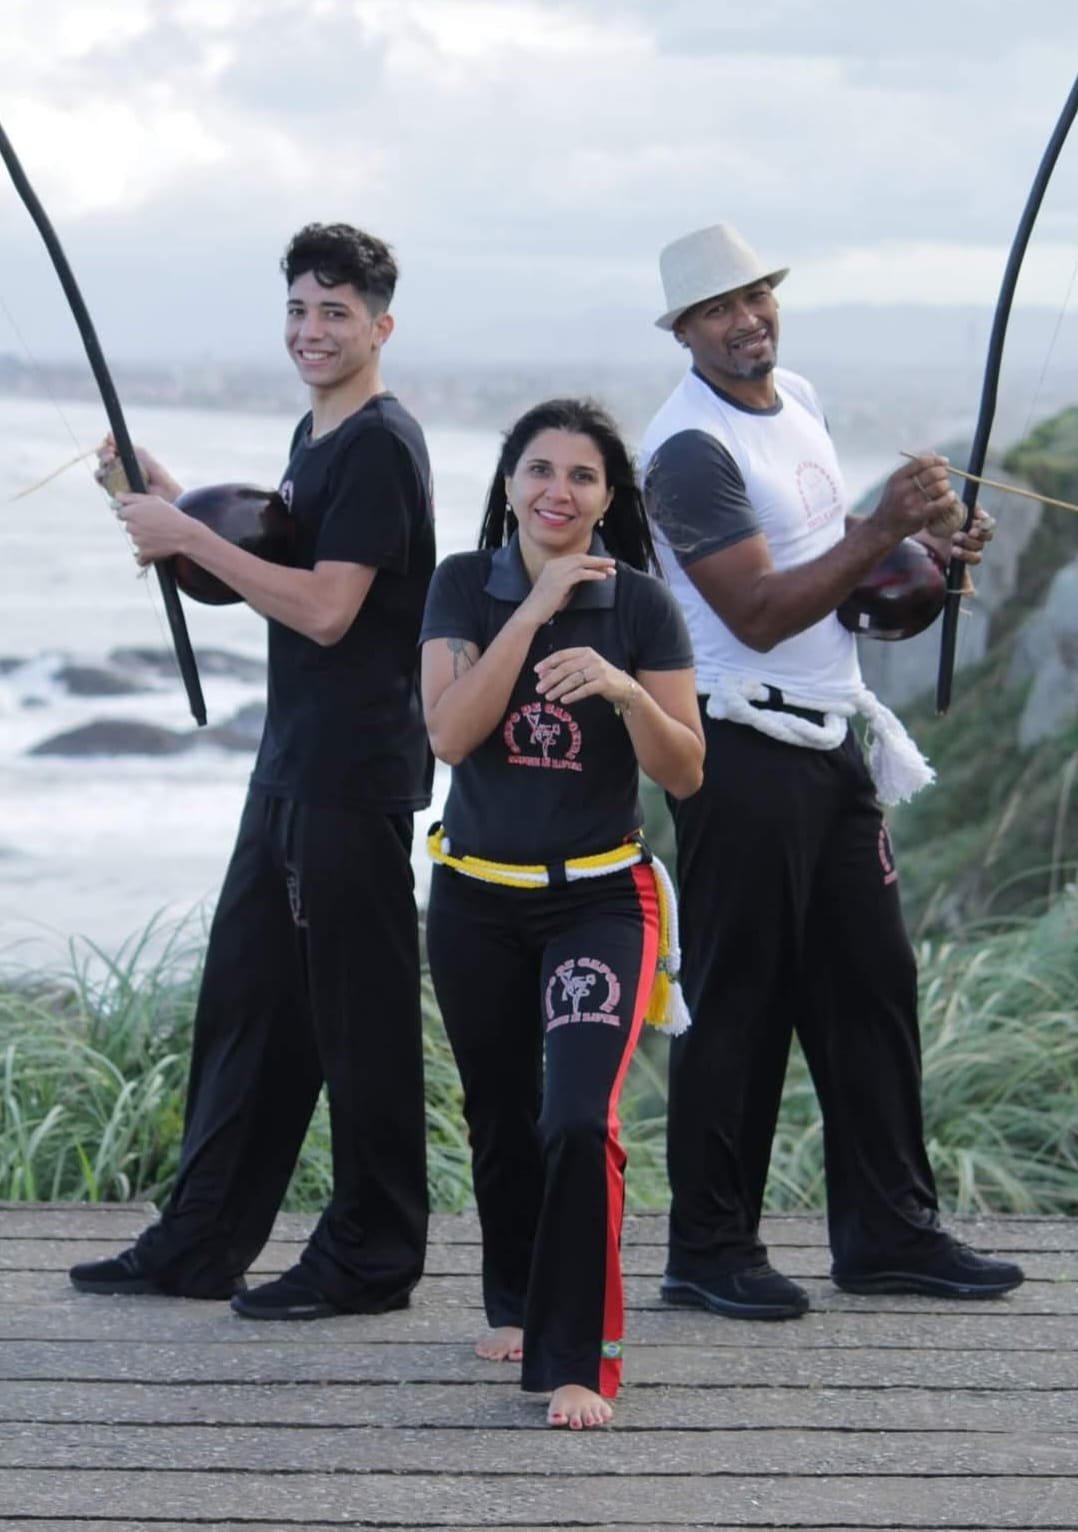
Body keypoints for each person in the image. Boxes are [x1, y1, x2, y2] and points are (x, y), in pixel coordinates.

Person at [639, 222, 1023, 1321]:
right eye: (717, 308)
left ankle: (888, 1233)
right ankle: (708, 1249)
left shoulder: (794, 396)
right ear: (684, 331)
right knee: (739, 1000)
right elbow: (755, 612)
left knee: (870, 985)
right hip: (737, 750)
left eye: (755, 294)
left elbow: (830, 577)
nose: (745, 318)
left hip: (830, 742)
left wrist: (925, 556)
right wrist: (881, 524)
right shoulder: (686, 453)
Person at [69, 222, 435, 1319]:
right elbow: (267, 559)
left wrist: (184, 537)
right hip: (292, 766)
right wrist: (166, 504)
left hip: (355, 771)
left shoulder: (379, 441)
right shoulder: (315, 434)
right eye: (297, 310)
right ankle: (199, 1240)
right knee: (249, 1006)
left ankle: (374, 1251)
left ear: (380, 324)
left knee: (358, 1020)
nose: (310, 331)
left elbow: (326, 607)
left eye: (334, 312)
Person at [420, 398, 704, 1427]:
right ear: (506, 484)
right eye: (537, 469)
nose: (557, 489)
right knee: (497, 1108)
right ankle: (511, 1298)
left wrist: (629, 693)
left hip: (599, 899)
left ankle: (580, 1357)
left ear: (607, 496)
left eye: (581, 475)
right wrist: (533, 609)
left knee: (576, 1116)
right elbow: (450, 735)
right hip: (473, 901)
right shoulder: (463, 582)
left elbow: (686, 769)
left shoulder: (641, 606)